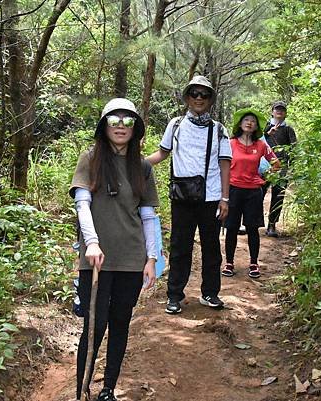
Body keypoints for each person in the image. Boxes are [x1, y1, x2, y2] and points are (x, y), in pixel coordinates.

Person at [70, 98, 159, 401]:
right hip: (95, 259)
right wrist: (91, 242)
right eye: (114, 120)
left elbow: (147, 216)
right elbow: (82, 204)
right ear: (104, 125)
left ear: (136, 128)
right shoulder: (91, 158)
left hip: (132, 259)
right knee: (94, 326)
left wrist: (152, 257)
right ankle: (81, 390)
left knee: (120, 324)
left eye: (128, 121)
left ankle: (108, 389)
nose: (121, 126)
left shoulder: (143, 167)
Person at [147, 75, 232, 314]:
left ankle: (210, 293)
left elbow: (225, 163)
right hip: (182, 197)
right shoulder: (175, 125)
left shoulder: (219, 130)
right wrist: (137, 164)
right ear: (187, 97)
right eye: (194, 93)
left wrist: (225, 198)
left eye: (204, 95)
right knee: (180, 247)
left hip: (211, 197)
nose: (198, 98)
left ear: (210, 100)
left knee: (211, 247)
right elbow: (162, 153)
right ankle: (174, 295)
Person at [222, 109, 279, 278]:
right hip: (232, 189)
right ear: (240, 124)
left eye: (253, 121)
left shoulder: (261, 145)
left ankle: (254, 263)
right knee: (231, 228)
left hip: (253, 191)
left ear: (256, 126)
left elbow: (276, 164)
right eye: (246, 120)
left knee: (252, 228)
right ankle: (229, 263)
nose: (249, 123)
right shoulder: (230, 143)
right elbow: (221, 164)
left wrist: (264, 177)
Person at [262, 101, 297, 237]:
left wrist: (292, 166)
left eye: (282, 110)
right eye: (277, 109)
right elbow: (256, 141)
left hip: (281, 166)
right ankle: (250, 222)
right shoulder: (264, 126)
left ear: (285, 113)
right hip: (264, 164)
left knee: (278, 195)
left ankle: (272, 225)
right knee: (257, 193)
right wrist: (267, 134)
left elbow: (294, 148)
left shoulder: (288, 129)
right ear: (272, 111)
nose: (279, 112)